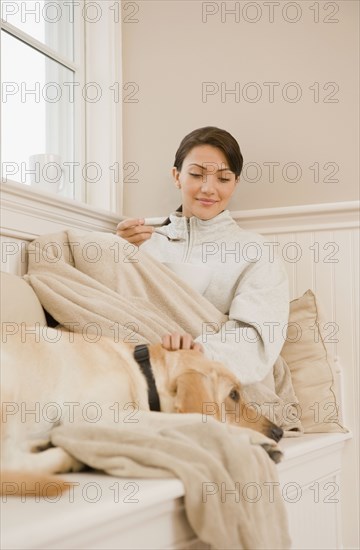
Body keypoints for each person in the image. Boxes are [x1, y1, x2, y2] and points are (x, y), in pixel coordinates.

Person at [116, 127, 289, 385]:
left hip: (213, 376)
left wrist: (196, 354)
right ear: (177, 176)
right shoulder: (143, 244)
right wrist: (115, 250)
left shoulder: (256, 252)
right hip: (139, 369)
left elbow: (256, 335)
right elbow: (116, 308)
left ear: (236, 182)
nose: (208, 188)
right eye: (197, 175)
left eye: (223, 178)